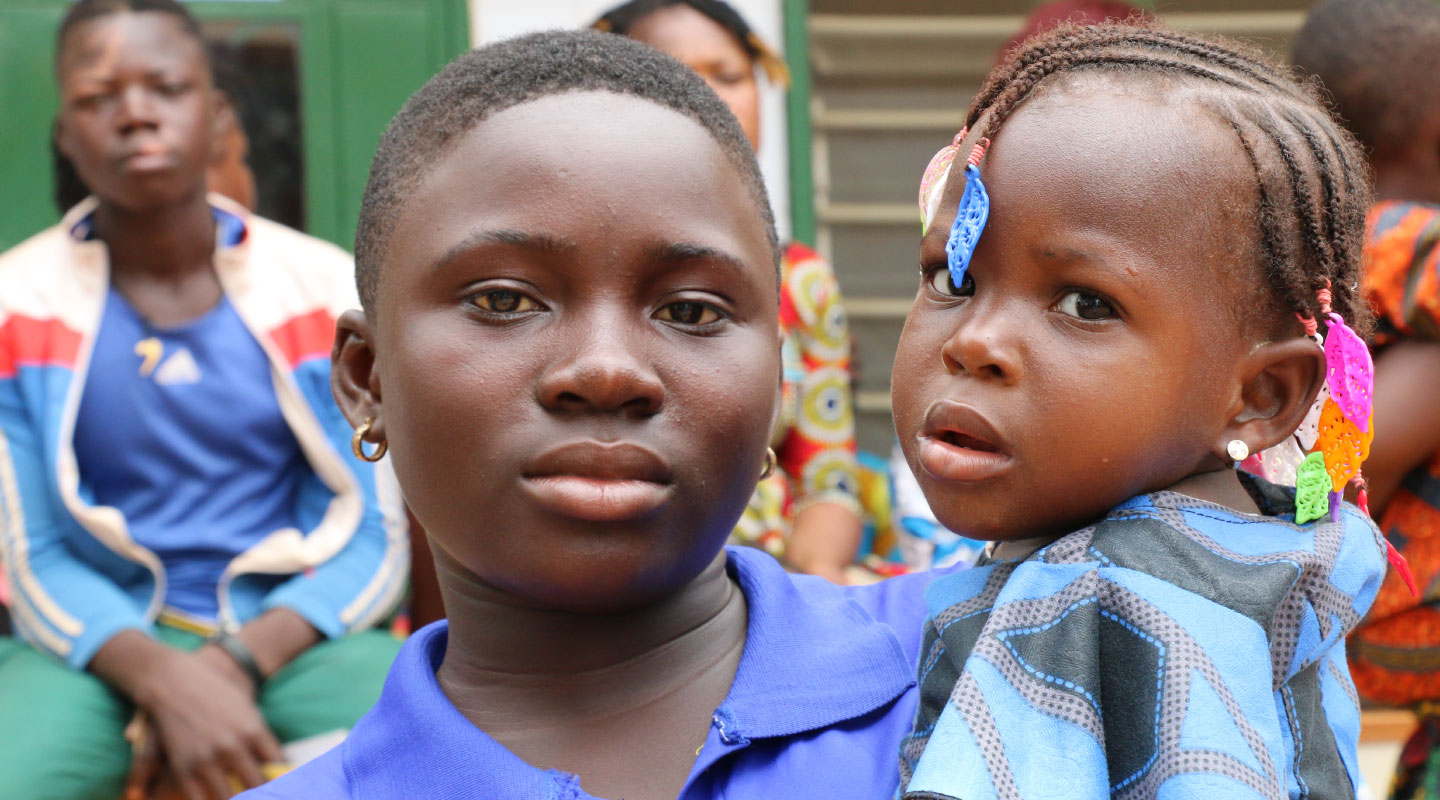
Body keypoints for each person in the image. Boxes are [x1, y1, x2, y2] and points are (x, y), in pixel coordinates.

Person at [244, 29, 956, 800]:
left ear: (774, 386)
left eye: (691, 310)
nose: (607, 370)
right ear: (365, 379)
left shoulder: (1002, 652)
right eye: (504, 301)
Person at [890, 23, 1389, 798]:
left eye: (1086, 303)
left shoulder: (1099, 600)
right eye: (952, 280)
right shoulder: (1261, 559)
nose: (975, 341)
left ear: (1262, 397)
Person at [0, 2, 407, 798]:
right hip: (96, 650)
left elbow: (373, 527)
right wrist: (162, 678)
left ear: (216, 114)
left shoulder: (321, 288)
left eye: (166, 86)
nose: (135, 113)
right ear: (65, 134)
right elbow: (33, 552)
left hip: (302, 638)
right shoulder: (16, 306)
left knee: (428, 769)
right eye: (97, 97)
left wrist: (233, 662)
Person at [595, 0, 864, 583]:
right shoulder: (577, 271)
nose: (708, 97)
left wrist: (813, 583)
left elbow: (828, 477)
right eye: (669, 74)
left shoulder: (802, 281)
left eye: (729, 75)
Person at [1293, 3, 1440, 797]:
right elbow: (1330, 478)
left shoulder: (1312, 244)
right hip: (1389, 626)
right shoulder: (1399, 233)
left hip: (1366, 642)